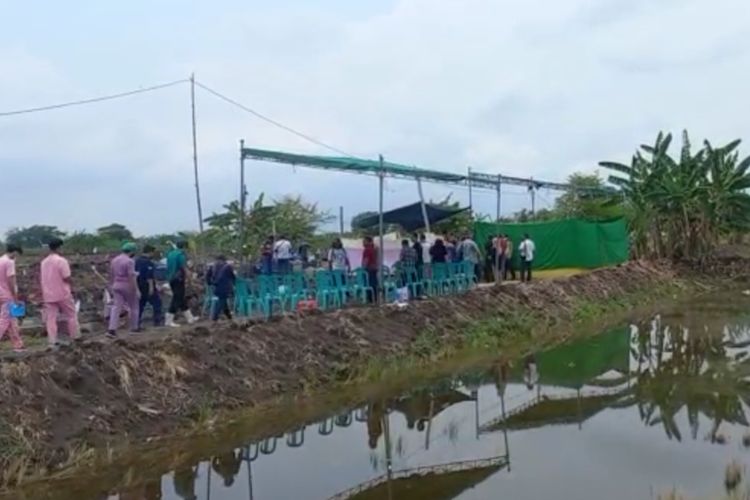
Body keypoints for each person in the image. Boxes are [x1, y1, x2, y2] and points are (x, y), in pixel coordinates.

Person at [40, 238, 80, 348]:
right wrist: (73, 285)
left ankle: (52, 341)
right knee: (71, 315)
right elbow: (66, 277)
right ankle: (75, 337)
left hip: (48, 294)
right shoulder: (61, 261)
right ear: (59, 247)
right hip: (62, 293)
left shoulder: (44, 262)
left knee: (51, 318)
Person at [107, 242, 140, 338]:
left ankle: (112, 329)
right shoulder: (130, 261)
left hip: (116, 284)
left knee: (116, 307)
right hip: (127, 285)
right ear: (132, 251)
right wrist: (136, 289)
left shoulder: (114, 260)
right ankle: (134, 328)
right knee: (134, 306)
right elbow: (131, 276)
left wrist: (111, 285)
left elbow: (111, 274)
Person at [0, 244, 24, 352]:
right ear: (14, 252)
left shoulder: (1, 260)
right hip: (7, 295)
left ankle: (18, 344)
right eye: (17, 254)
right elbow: (11, 281)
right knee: (4, 320)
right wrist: (15, 297)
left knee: (12, 320)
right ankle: (17, 344)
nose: (17, 257)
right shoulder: (9, 262)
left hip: (1, 293)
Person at [166, 241, 195, 327]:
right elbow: (184, 269)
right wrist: (190, 280)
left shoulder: (170, 254)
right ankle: (169, 319)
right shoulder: (181, 256)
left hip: (170, 278)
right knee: (177, 298)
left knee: (180, 298)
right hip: (178, 279)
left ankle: (190, 317)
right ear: (184, 247)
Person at [135, 244, 162, 328]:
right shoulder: (148, 262)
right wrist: (151, 288)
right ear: (150, 252)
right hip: (147, 286)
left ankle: (136, 324)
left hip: (139, 285)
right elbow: (149, 276)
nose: (153, 254)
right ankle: (157, 322)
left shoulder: (137, 261)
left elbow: (134, 275)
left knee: (140, 305)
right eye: (153, 252)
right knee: (157, 303)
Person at [210, 255, 236, 322]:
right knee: (221, 302)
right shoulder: (227, 267)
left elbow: (209, 277)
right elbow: (233, 276)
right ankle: (215, 317)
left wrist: (211, 283)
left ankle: (229, 316)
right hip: (225, 287)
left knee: (224, 302)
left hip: (217, 287)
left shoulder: (213, 267)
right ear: (224, 260)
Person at [361, 236, 379, 303]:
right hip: (374, 268)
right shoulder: (373, 249)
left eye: (364, 241)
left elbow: (366, 260)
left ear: (368, 242)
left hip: (369, 269)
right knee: (374, 284)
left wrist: (363, 268)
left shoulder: (367, 250)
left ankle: (370, 299)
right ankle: (375, 298)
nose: (363, 243)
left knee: (369, 284)